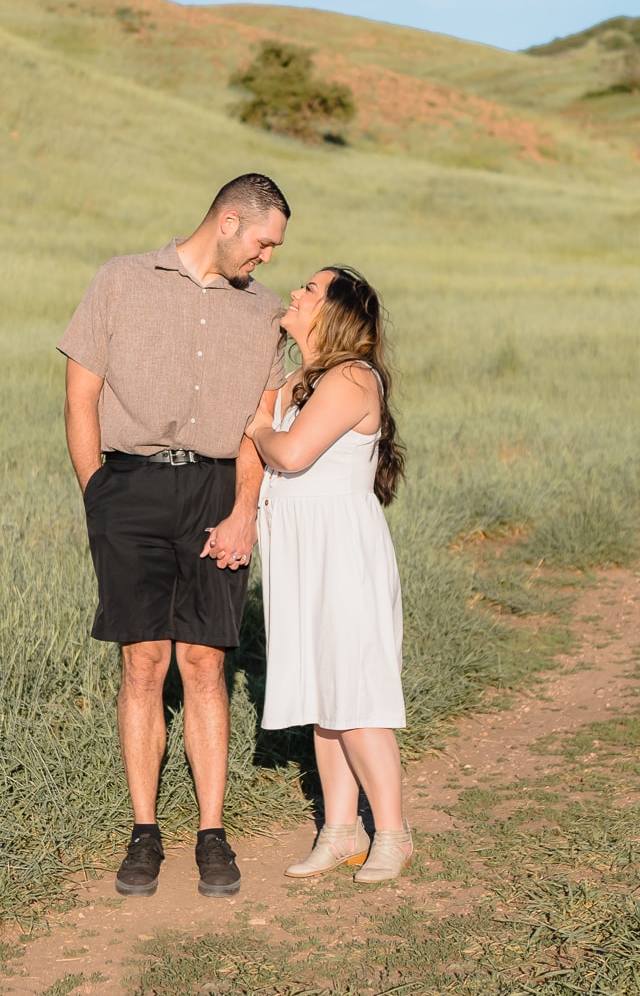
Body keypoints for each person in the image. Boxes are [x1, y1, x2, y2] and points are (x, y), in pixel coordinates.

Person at [57, 174, 290, 899]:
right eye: (263, 242)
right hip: (128, 487)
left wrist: (246, 507)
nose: (268, 259)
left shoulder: (266, 312)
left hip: (218, 493)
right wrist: (99, 493)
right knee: (142, 663)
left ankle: (212, 835)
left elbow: (262, 419)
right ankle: (144, 832)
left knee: (204, 663)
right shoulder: (119, 281)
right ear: (227, 221)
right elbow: (80, 393)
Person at [245, 266, 412, 883]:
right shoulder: (295, 382)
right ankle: (341, 830)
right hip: (300, 552)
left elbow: (289, 454)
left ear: (338, 312)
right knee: (323, 695)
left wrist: (256, 425)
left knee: (356, 695)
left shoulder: (350, 377)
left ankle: (393, 833)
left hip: (342, 551)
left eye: (310, 290)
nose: (295, 291)